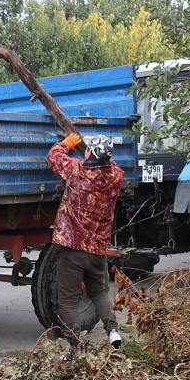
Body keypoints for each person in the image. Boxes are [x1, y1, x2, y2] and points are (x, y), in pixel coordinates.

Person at [46, 133, 124, 359]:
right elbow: (110, 164)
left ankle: (73, 347)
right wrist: (98, 155)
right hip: (98, 249)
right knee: (99, 292)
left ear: (89, 153)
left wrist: (67, 144)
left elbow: (53, 157)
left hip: (74, 248)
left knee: (68, 299)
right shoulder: (116, 176)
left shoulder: (77, 170)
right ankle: (113, 332)